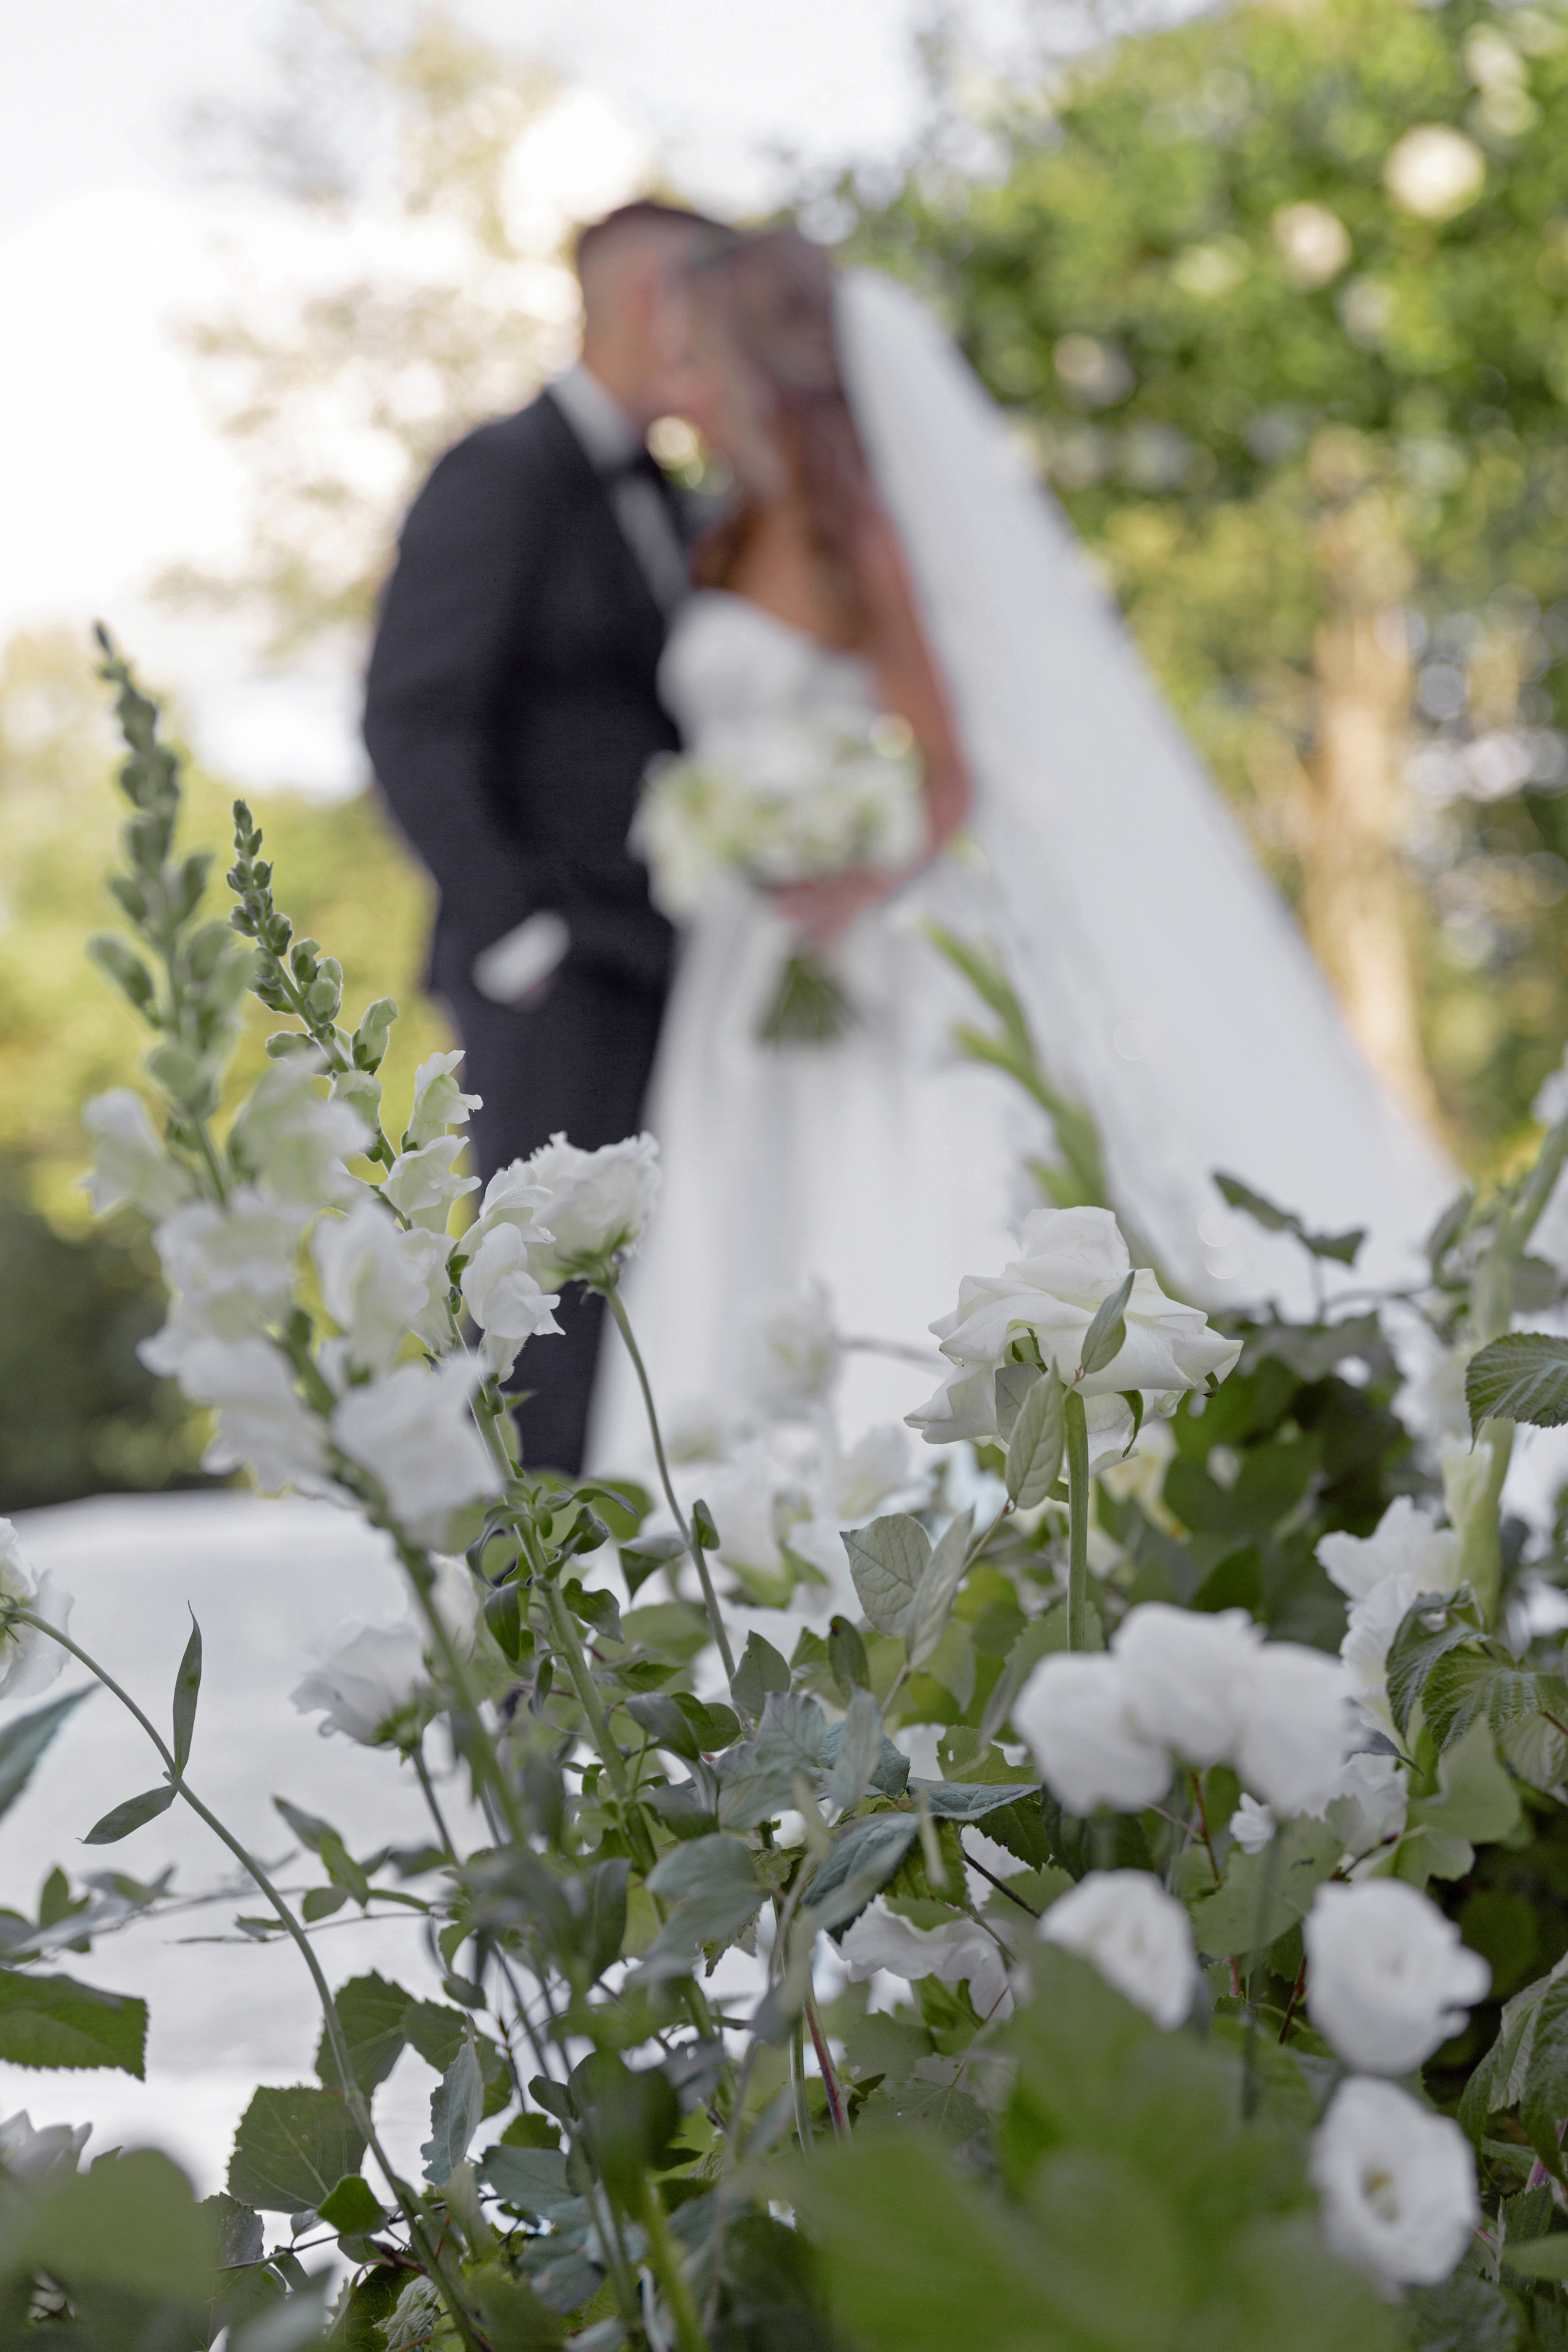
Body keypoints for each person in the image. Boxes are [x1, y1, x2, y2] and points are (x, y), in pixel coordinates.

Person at [589, 230, 1454, 1468]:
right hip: (740, 966)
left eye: (699, 365)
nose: (681, 395)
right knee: (734, 1229)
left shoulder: (860, 540)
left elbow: (950, 771)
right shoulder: (723, 534)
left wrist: (848, 874)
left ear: (762, 370)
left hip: (867, 938)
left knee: (892, 1201)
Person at [363, 200, 728, 1474]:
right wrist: (521, 930)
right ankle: (534, 1663)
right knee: (546, 1325)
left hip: (672, 963)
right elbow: (411, 720)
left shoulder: (677, 499)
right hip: (556, 975)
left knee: (649, 1314)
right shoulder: (498, 472)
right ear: (648, 303)